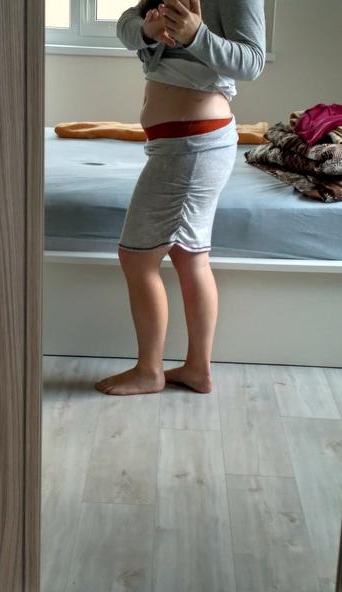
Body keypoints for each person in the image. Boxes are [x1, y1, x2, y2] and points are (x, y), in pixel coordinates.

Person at [95, 0, 266, 395]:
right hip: (185, 144)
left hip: (191, 146)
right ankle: (197, 370)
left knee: (137, 257)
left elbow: (252, 61)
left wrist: (196, 35)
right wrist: (146, 30)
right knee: (190, 256)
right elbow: (127, 21)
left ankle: (149, 371)